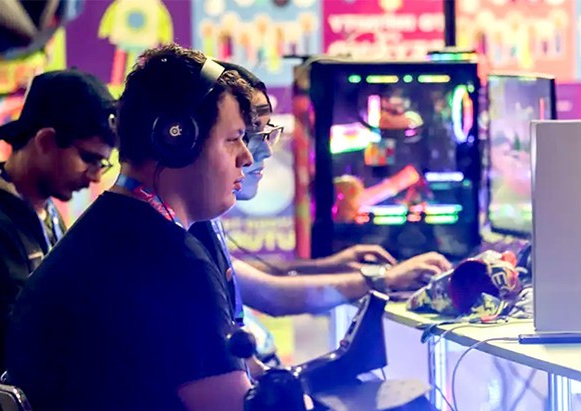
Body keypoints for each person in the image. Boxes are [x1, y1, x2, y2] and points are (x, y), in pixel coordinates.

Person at [7, 44, 378, 411]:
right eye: (233, 139)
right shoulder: (169, 263)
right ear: (176, 139)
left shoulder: (116, 231)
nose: (245, 156)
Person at [189, 62, 451, 360]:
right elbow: (273, 295)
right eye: (245, 135)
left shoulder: (201, 223)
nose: (259, 152)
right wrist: (384, 278)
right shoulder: (184, 233)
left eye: (265, 134)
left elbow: (246, 276)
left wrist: (330, 265)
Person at [0, 69, 116, 379]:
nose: (95, 176)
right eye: (89, 159)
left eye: (102, 163)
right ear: (46, 140)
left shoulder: (46, 214)